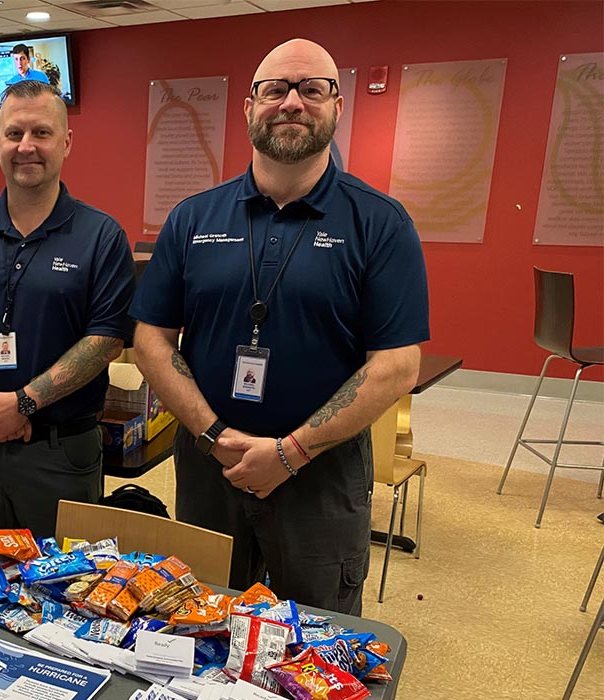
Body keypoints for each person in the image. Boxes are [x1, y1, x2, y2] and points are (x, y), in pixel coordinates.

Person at [130, 38, 428, 615]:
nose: (292, 102)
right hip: (209, 465)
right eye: (275, 89)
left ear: (337, 106)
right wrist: (217, 436)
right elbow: (150, 340)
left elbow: (397, 364)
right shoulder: (193, 217)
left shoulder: (381, 223)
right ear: (249, 107)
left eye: (312, 89)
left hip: (322, 473)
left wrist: (290, 452)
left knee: (316, 641)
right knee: (201, 627)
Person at [0, 81, 135, 538]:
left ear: (66, 142)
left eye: (41, 133)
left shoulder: (102, 236)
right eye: (14, 134)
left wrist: (23, 403)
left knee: (64, 590)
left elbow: (106, 340)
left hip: (60, 450)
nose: (26, 147)